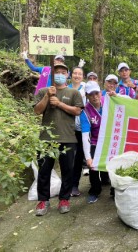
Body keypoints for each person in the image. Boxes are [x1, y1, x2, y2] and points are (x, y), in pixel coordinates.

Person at [34, 63, 84, 216]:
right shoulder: (43, 91)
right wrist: (48, 97)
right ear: (52, 75)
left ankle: (64, 199)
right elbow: (37, 111)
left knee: (67, 170)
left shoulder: (74, 92)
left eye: (63, 72)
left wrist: (60, 103)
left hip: (68, 137)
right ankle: (43, 200)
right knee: (44, 170)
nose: (60, 74)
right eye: (57, 72)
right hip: (46, 138)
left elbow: (77, 111)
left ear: (67, 75)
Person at [80, 81, 108, 204]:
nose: (95, 96)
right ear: (87, 96)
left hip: (109, 140)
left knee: (114, 165)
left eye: (96, 93)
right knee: (93, 168)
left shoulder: (108, 104)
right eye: (91, 94)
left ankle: (115, 190)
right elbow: (85, 135)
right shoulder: (85, 112)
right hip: (95, 142)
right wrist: (88, 157)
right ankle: (95, 190)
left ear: (100, 93)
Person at [69, 67, 87, 197]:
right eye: (75, 73)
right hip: (67, 128)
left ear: (83, 76)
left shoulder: (86, 88)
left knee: (78, 157)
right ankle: (67, 185)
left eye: (79, 73)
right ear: (71, 75)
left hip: (81, 128)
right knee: (68, 158)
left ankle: (74, 185)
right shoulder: (66, 88)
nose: (77, 75)